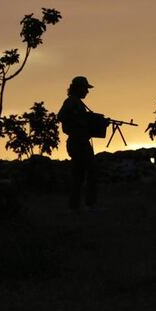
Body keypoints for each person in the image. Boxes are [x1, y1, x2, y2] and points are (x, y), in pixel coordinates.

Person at [58, 76, 98, 211]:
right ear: (78, 88)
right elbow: (61, 116)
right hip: (78, 142)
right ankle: (88, 204)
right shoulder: (71, 102)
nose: (87, 91)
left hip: (79, 142)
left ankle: (76, 206)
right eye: (85, 88)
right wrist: (78, 119)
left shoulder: (77, 102)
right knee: (89, 172)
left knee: (79, 175)